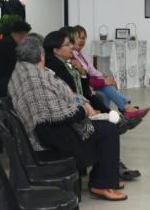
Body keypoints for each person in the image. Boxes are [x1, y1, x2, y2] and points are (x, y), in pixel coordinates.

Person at [8, 37, 126, 202]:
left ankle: (104, 179)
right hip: (50, 139)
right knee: (108, 129)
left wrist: (84, 104)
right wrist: (84, 111)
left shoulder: (25, 71)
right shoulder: (35, 79)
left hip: (53, 130)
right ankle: (103, 184)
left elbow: (67, 95)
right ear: (41, 55)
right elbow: (55, 115)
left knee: (104, 124)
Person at [44, 30, 141, 181]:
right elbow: (71, 94)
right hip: (74, 114)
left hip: (82, 103)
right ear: (56, 50)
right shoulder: (55, 65)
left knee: (104, 100)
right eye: (68, 44)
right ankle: (111, 169)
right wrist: (87, 109)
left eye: (72, 43)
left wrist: (82, 73)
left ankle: (113, 164)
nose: (72, 47)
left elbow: (82, 87)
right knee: (107, 125)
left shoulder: (66, 62)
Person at [70, 24, 149, 120]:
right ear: (71, 39)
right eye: (78, 38)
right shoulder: (72, 58)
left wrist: (104, 78)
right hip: (83, 89)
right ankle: (125, 110)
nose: (81, 40)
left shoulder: (80, 55)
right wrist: (104, 81)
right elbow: (86, 80)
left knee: (104, 93)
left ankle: (109, 119)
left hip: (88, 87)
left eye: (83, 38)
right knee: (106, 88)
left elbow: (92, 74)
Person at [0, 19, 31, 96]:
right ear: (22, 35)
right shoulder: (9, 46)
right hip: (0, 83)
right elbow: (18, 66)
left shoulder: (6, 42)